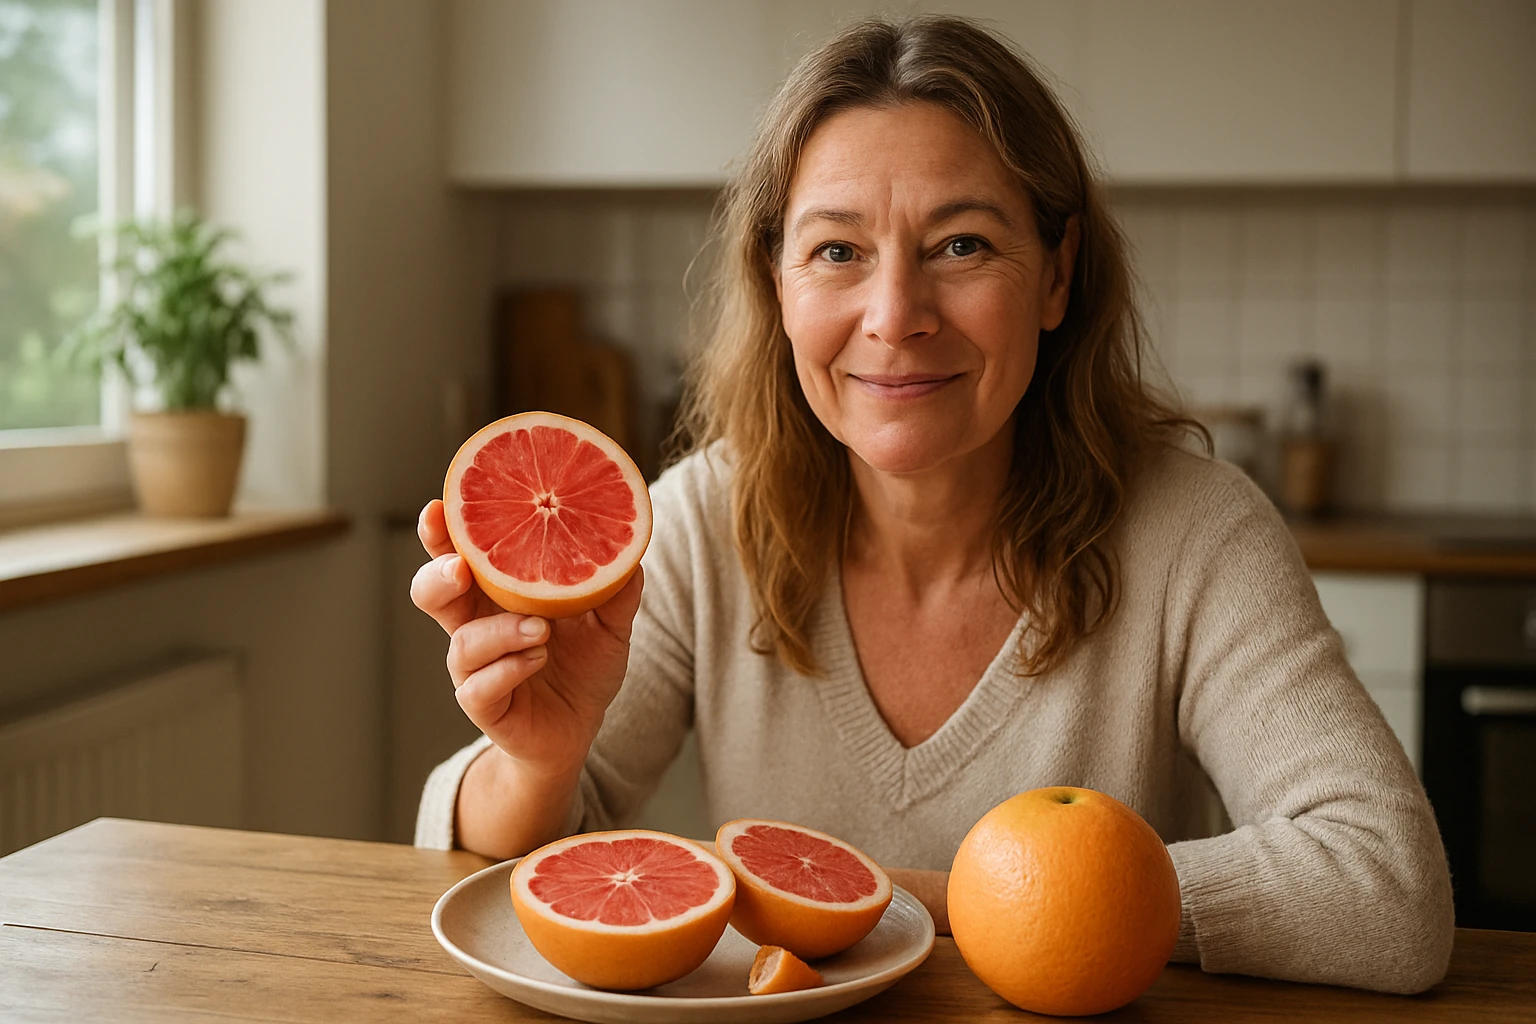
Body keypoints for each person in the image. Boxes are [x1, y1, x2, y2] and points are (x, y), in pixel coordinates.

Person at [411, 15, 1452, 993]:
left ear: (1056, 275)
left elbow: (1390, 892)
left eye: (961, 245)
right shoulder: (699, 524)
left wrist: (936, 906)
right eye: (836, 251)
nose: (895, 315)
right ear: (778, 284)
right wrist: (537, 761)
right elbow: (495, 875)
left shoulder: (1196, 533)